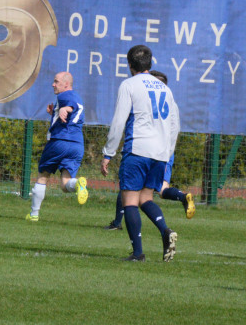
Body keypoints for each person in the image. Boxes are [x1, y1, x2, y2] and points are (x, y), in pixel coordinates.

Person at [102, 46, 181, 261]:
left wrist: (108, 152)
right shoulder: (165, 89)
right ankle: (165, 230)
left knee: (129, 200)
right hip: (161, 153)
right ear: (150, 63)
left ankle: (138, 252)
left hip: (138, 149)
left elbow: (119, 121)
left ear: (129, 65)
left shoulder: (129, 85)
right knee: (145, 198)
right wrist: (168, 152)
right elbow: (174, 124)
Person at [104, 70, 195, 229]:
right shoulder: (171, 100)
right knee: (158, 190)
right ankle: (181, 197)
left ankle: (120, 225)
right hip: (164, 152)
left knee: (131, 189)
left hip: (143, 149)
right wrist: (168, 152)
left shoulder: (141, 94)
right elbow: (175, 128)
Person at [26, 71, 88, 222]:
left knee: (43, 176)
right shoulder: (77, 97)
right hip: (77, 145)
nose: (53, 84)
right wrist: (53, 113)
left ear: (66, 84)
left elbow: (70, 106)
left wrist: (63, 109)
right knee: (65, 185)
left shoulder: (65, 96)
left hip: (59, 142)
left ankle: (34, 214)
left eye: (56, 81)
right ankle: (79, 184)